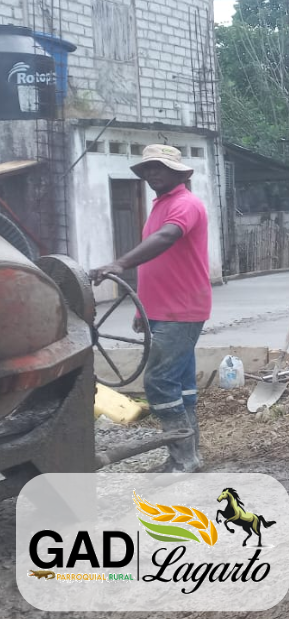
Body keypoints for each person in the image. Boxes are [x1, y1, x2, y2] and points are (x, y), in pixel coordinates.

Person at [89, 144, 211, 472]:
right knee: (181, 384)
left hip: (182, 309)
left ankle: (183, 460)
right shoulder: (160, 206)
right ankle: (190, 456)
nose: (153, 173)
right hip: (162, 310)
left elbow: (166, 238)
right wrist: (142, 310)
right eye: (148, 168)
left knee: (159, 382)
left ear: (177, 173)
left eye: (160, 167)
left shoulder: (185, 204)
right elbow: (156, 266)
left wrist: (119, 263)